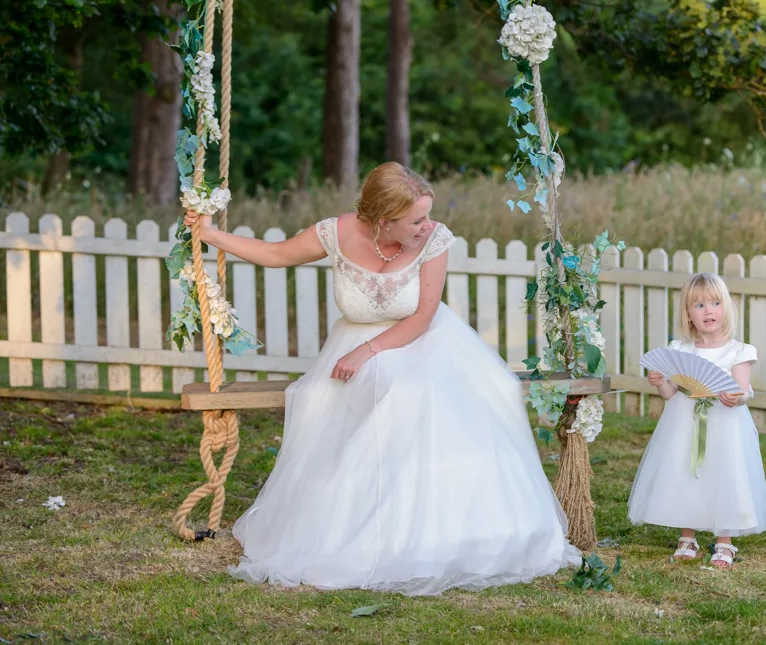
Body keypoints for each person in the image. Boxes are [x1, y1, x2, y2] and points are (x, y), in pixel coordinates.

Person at [184, 162, 580, 595]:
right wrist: (210, 234)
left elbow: (424, 316)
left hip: (422, 342)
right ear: (381, 219)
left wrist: (367, 351)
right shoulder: (336, 233)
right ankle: (350, 526)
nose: (426, 226)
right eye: (415, 220)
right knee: (320, 399)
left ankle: (427, 532)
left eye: (427, 215)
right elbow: (276, 256)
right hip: (352, 345)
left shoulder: (434, 240)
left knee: (414, 392)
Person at [627, 272, 766, 568]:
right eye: (699, 305)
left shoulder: (738, 351)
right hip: (684, 421)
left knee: (724, 473)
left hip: (725, 423)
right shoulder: (679, 350)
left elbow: (744, 390)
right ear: (688, 314)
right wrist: (658, 381)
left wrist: (737, 398)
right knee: (684, 471)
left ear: (726, 308)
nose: (708, 311)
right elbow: (670, 392)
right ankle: (687, 535)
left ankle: (724, 540)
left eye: (715, 303)